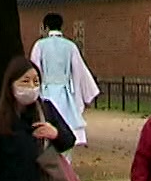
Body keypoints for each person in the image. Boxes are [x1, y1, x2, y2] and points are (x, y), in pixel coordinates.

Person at [30, 13, 99, 158]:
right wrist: (84, 97)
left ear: (45, 27)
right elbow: (79, 72)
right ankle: (66, 164)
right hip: (66, 95)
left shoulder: (40, 46)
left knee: (46, 130)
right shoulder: (70, 46)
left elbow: (34, 69)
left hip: (46, 93)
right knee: (67, 132)